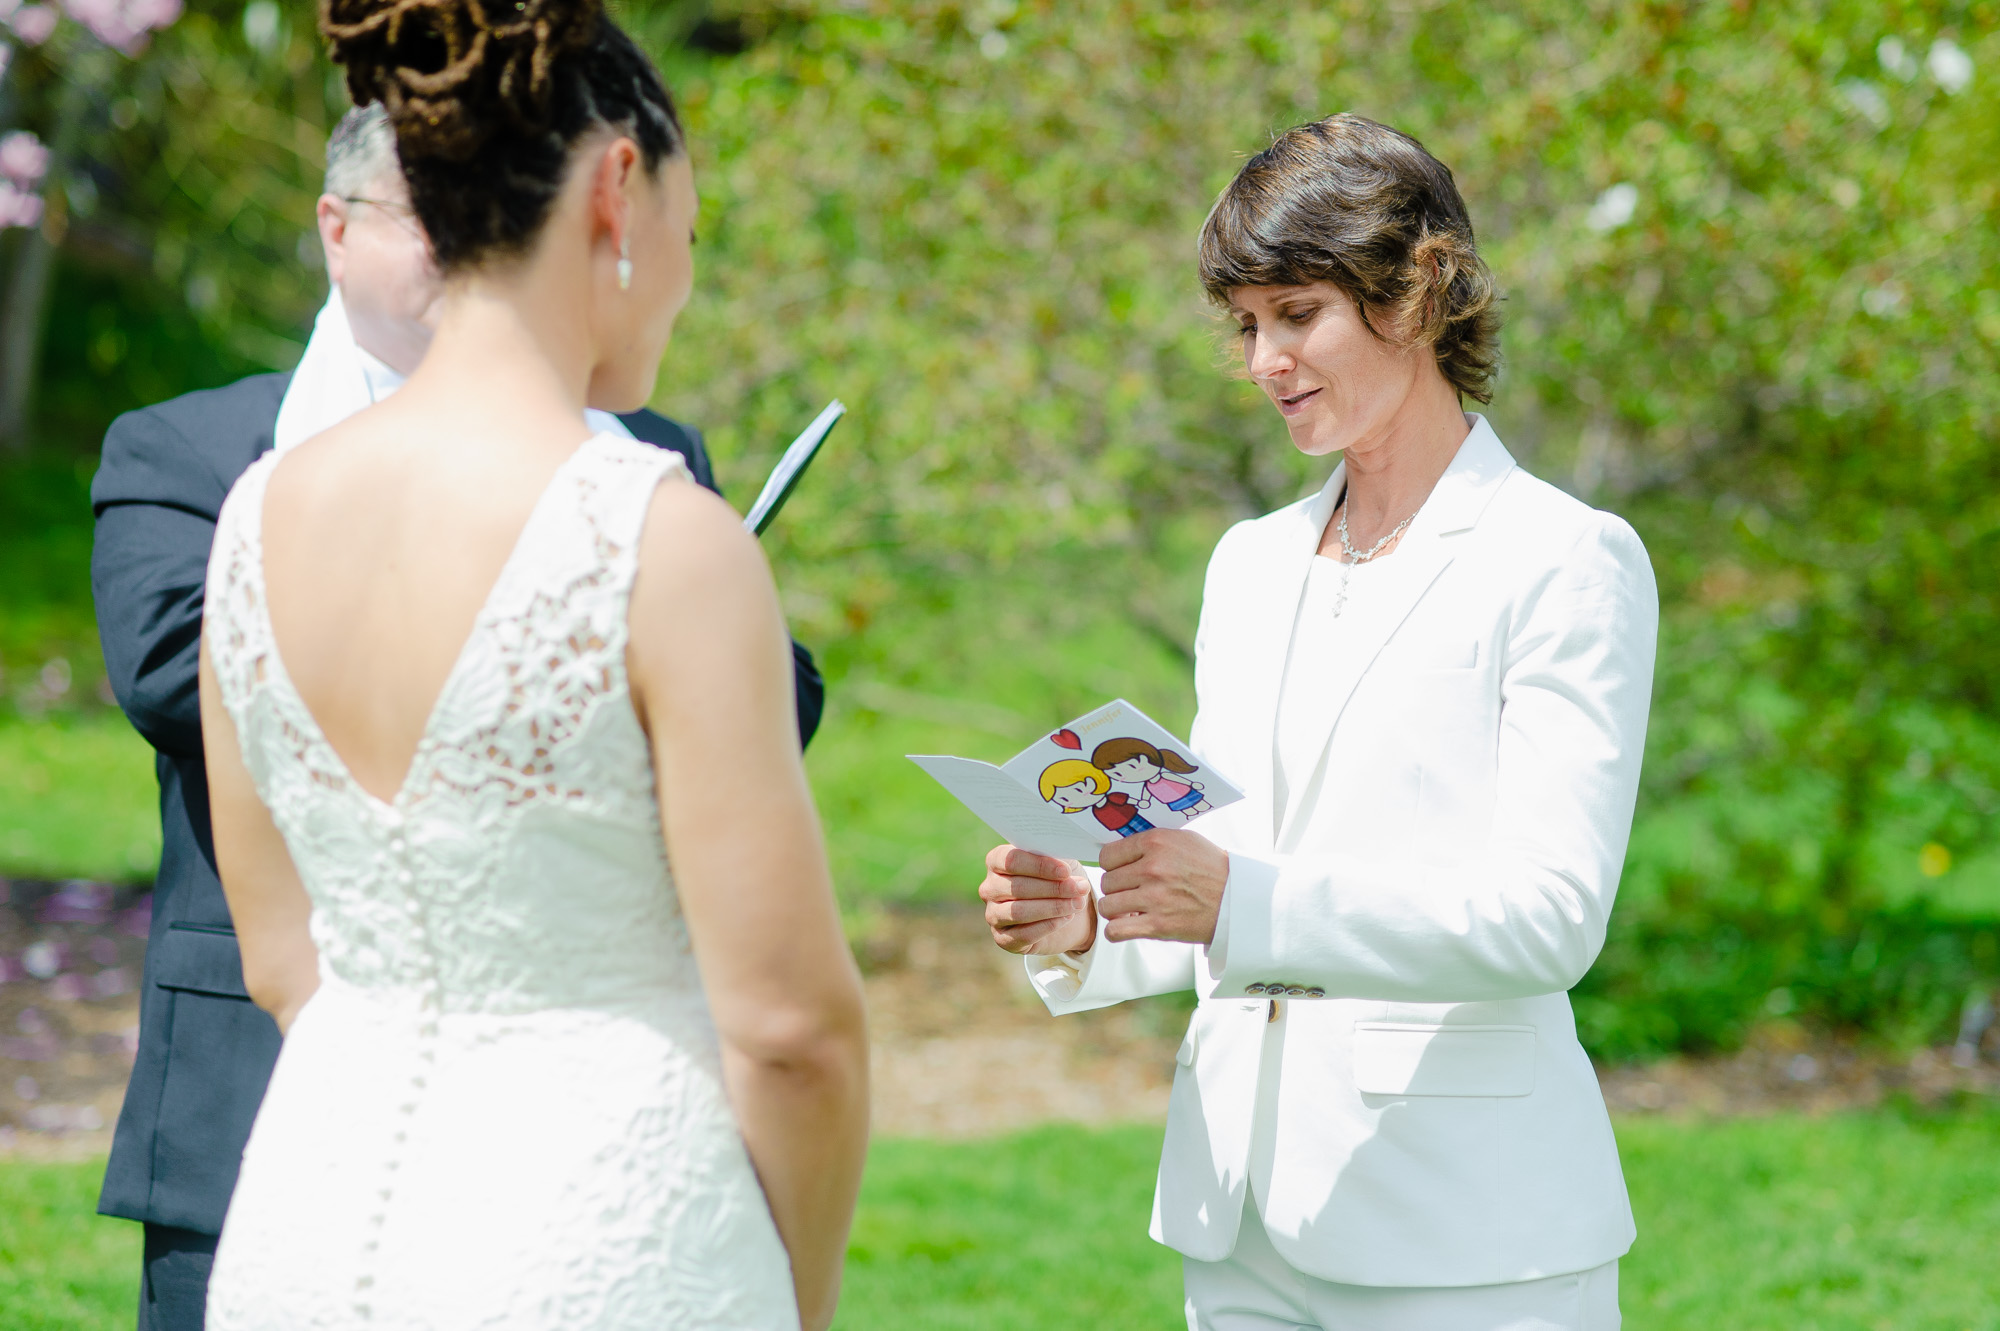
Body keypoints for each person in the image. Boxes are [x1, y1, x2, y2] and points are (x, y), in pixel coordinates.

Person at [90, 102, 827, 1330]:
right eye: (422, 219)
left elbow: (769, 708)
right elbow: (172, 673)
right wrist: (559, 630)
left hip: (592, 1109)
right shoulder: (196, 452)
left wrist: (690, 636)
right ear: (335, 230)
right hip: (257, 1103)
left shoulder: (646, 449)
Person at [980, 115, 1658, 1330]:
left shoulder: (1562, 557)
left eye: (1296, 312)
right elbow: (1227, 854)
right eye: (1244, 324)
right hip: (1232, 1217)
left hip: (1464, 1232)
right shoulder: (1248, 561)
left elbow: (1548, 917)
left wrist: (1233, 899)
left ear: (1421, 286)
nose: (1261, 358)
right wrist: (1094, 916)